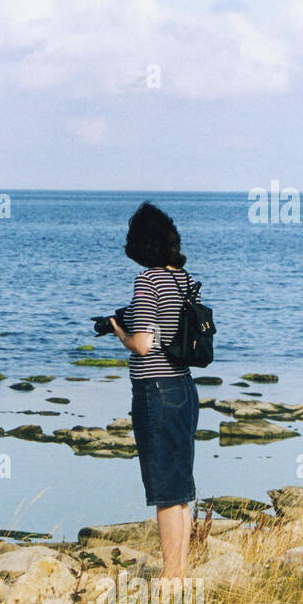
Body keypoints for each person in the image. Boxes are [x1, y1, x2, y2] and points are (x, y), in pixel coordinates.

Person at [108, 202, 200, 578]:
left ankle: (170, 575)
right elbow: (167, 329)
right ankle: (179, 570)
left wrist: (119, 332)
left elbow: (144, 344)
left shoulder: (147, 281)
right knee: (180, 489)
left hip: (155, 389)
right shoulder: (184, 279)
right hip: (184, 387)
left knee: (164, 490)